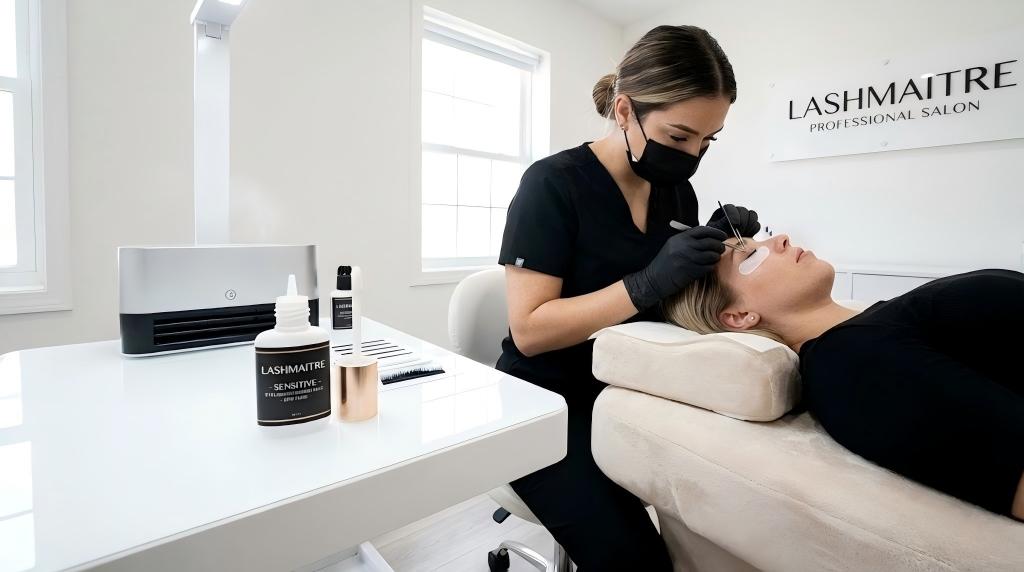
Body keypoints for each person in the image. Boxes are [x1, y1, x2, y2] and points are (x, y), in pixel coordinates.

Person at [496, 24, 760, 570]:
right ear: (624, 110)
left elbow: (667, 299)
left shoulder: (674, 189)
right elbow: (531, 329)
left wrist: (708, 248)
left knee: (725, 509)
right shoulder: (552, 184)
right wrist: (646, 282)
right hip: (543, 400)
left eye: (707, 142)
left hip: (630, 381)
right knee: (632, 557)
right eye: (679, 136)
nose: (691, 155)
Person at [663, 233, 1024, 521]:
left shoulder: (866, 329)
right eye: (749, 255)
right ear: (740, 316)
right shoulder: (849, 359)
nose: (783, 239)